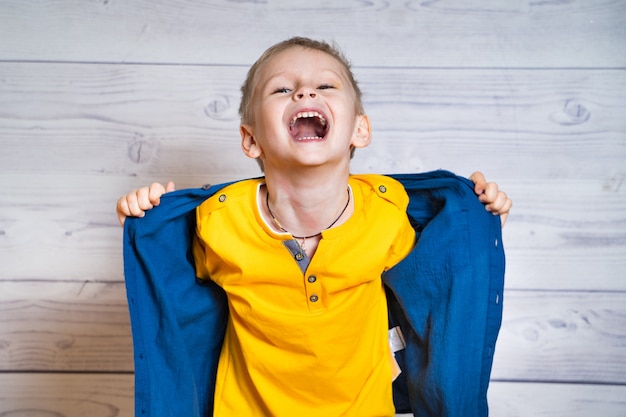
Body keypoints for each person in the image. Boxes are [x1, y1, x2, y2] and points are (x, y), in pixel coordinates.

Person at [117, 37, 512, 417]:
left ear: (360, 129)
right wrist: (145, 223)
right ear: (251, 138)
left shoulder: (386, 210)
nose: (305, 93)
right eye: (282, 89)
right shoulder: (221, 221)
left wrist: (480, 226)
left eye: (325, 85)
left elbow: (441, 266)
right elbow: (170, 280)